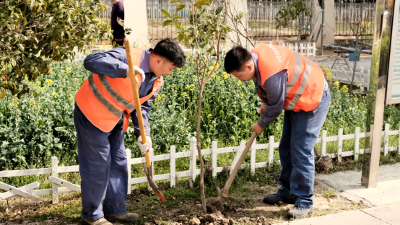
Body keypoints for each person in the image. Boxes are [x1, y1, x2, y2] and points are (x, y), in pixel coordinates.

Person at [75, 38, 186, 225]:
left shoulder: (156, 80)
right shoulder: (126, 57)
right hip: (91, 112)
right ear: (158, 60)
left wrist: (144, 135)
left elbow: (143, 108)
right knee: (98, 164)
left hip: (114, 119)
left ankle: (115, 211)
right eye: (171, 68)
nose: (170, 73)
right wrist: (124, 70)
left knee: (118, 162)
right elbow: (90, 61)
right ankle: (92, 217)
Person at [224, 44, 331, 219]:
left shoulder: (271, 74)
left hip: (312, 97)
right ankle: (288, 190)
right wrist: (265, 100)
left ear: (248, 66)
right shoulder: (256, 56)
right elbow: (268, 87)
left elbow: (276, 105)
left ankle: (304, 200)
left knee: (301, 150)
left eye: (238, 75)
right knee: (286, 147)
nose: (238, 79)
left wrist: (261, 123)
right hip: (296, 98)